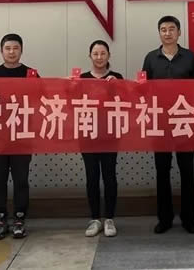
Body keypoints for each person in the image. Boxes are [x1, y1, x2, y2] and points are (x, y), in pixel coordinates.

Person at [142, 15, 194, 234]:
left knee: (187, 171)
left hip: (184, 121)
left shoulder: (189, 57)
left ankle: (189, 218)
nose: (167, 33)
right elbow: (144, 88)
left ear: (179, 32)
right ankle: (164, 218)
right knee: (162, 171)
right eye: (163, 29)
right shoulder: (151, 58)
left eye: (171, 29)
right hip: (160, 123)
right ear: (159, 33)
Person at [0, 33, 39, 240]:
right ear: (1, 51)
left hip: (22, 136)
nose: (12, 52)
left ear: (21, 50)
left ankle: (20, 218)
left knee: (21, 179)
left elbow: (41, 100)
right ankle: (0, 218)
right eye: (8, 48)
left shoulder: (31, 74)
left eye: (15, 48)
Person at [80, 39, 123, 238]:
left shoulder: (117, 77)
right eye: (95, 54)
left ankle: (110, 219)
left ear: (108, 56)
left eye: (103, 53)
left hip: (110, 134)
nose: (99, 57)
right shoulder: (82, 78)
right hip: (87, 134)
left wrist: (117, 87)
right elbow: (70, 102)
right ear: (90, 56)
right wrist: (71, 86)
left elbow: (129, 101)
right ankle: (95, 218)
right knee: (92, 177)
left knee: (109, 176)